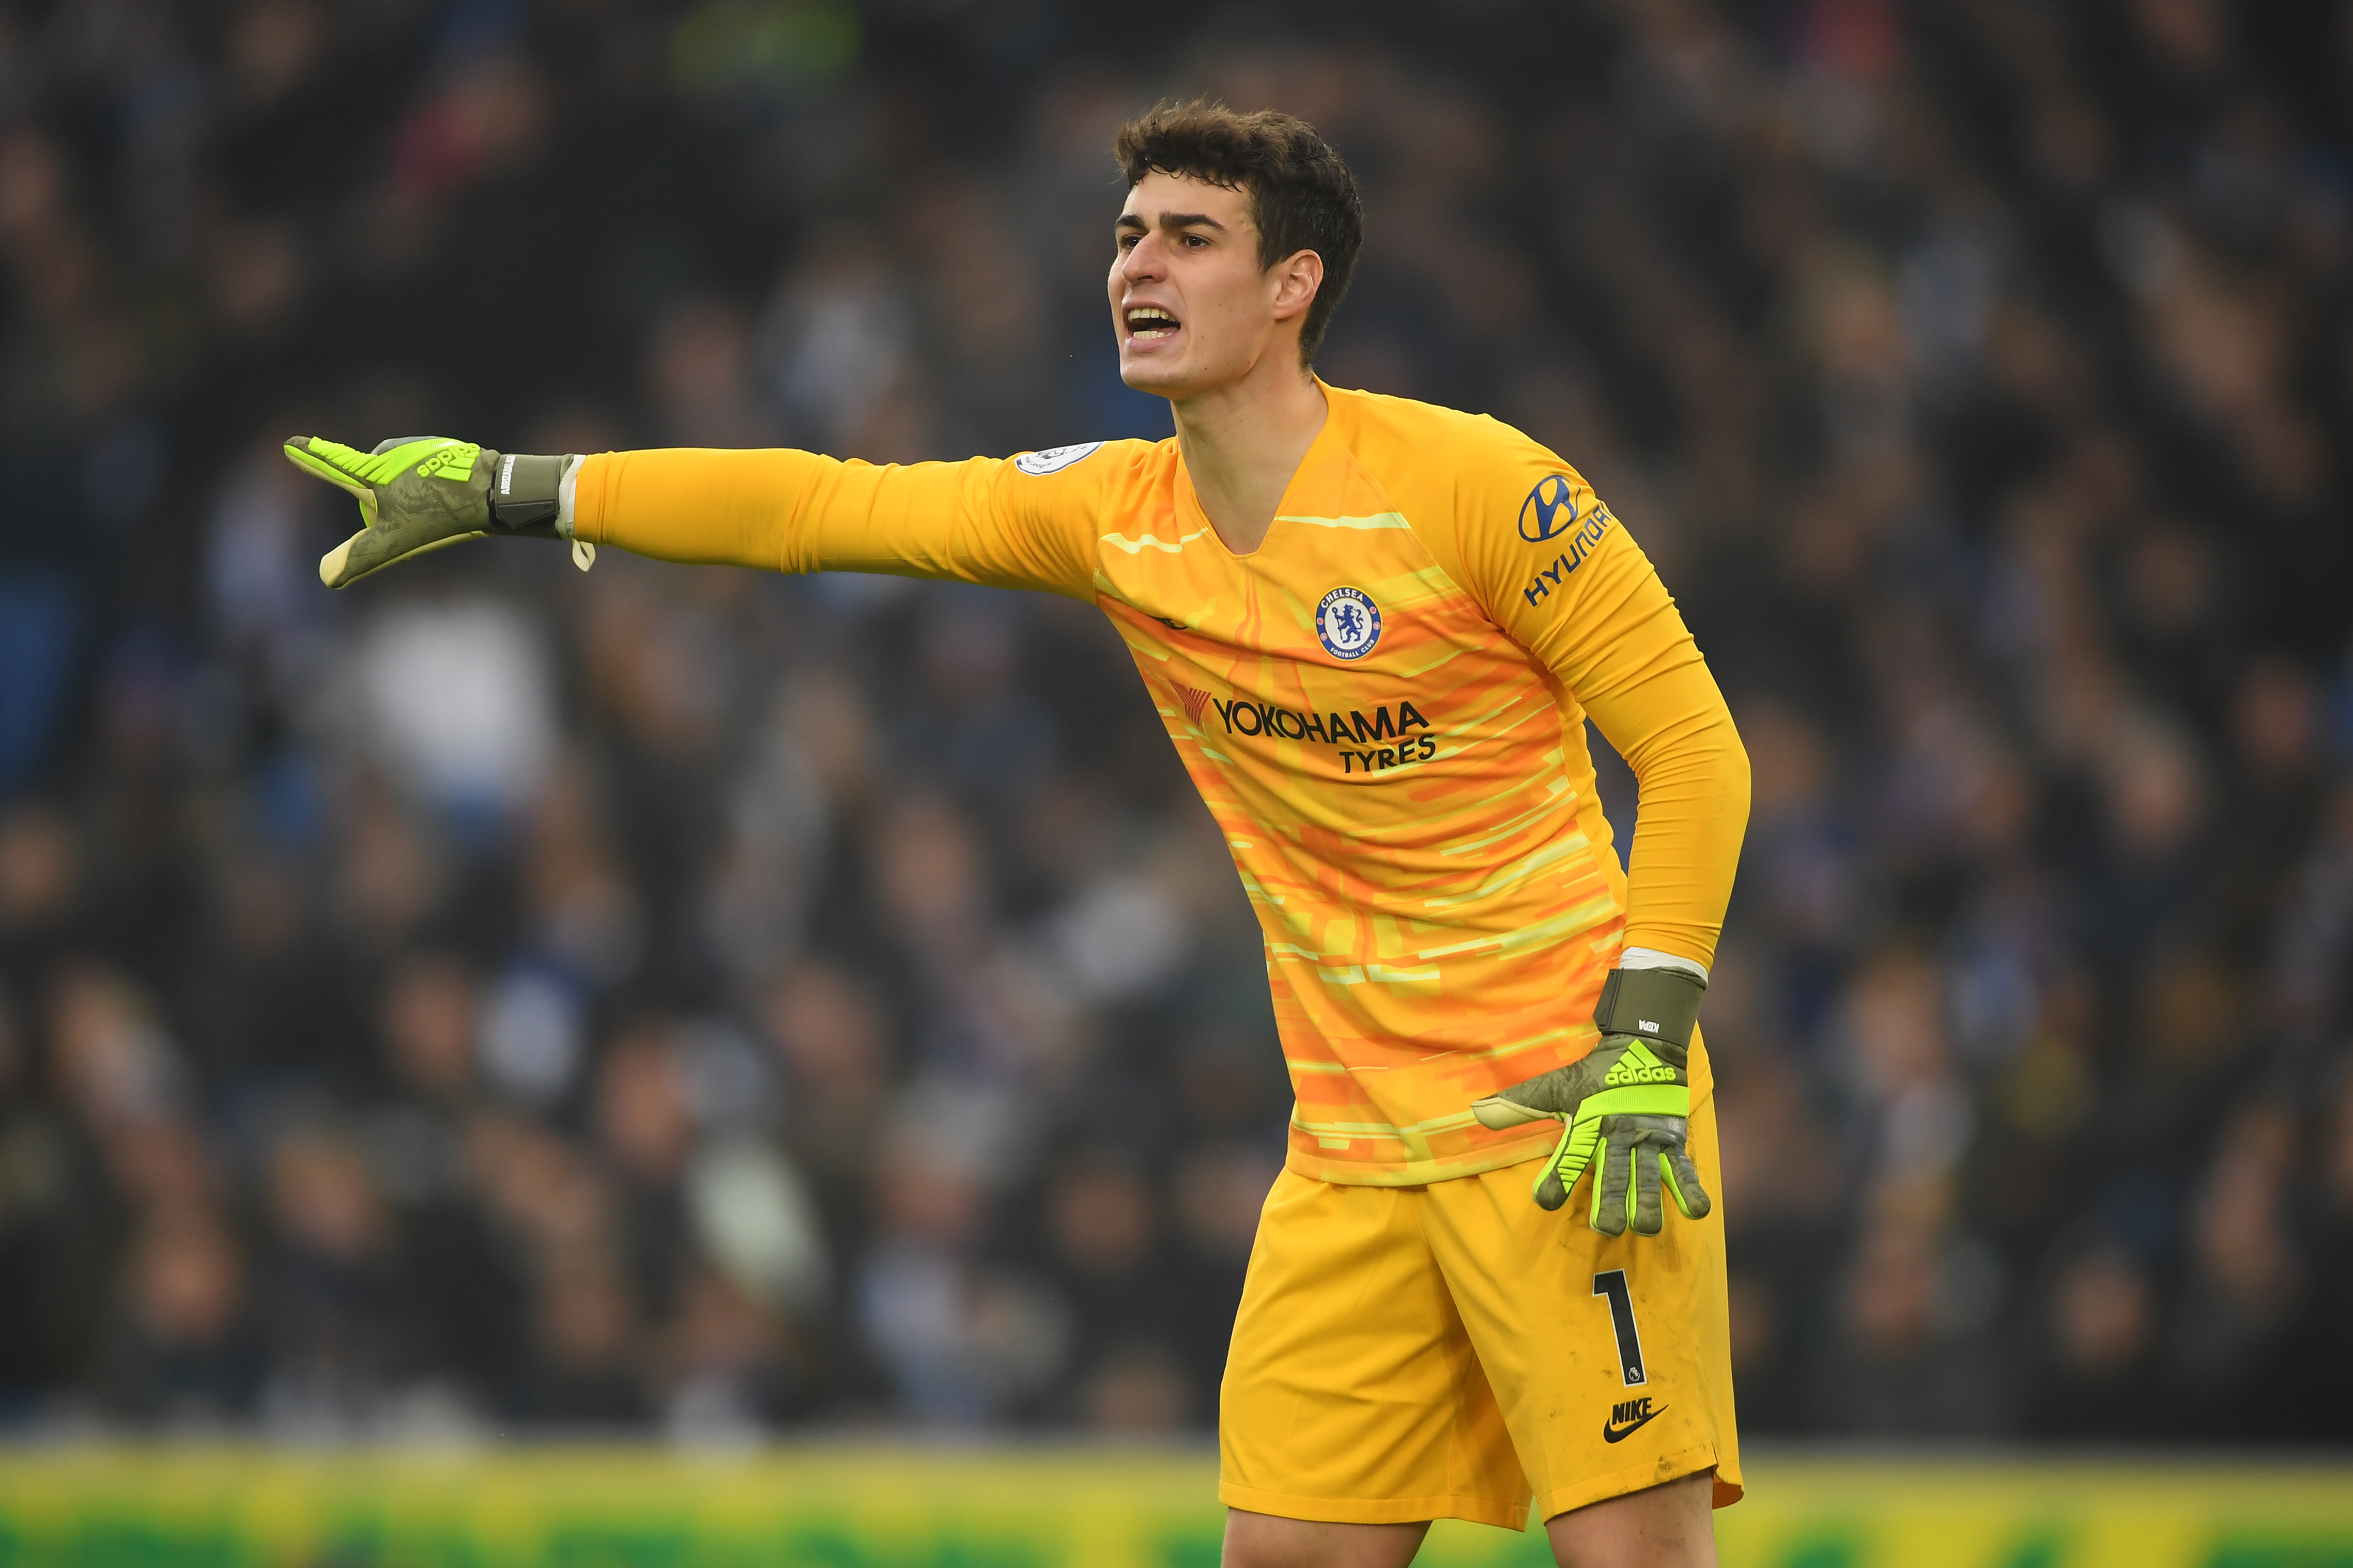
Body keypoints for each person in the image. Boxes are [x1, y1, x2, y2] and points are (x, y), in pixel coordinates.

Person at [286, 101, 1750, 1568]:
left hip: (1572, 1110)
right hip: (1353, 1150)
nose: (1138, 267)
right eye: (1127, 237)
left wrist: (1644, 1043)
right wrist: (514, 490)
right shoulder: (1112, 514)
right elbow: (821, 508)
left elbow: (1695, 749)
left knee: (1630, 1559)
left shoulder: (1479, 485)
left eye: (1190, 238)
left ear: (1292, 285)